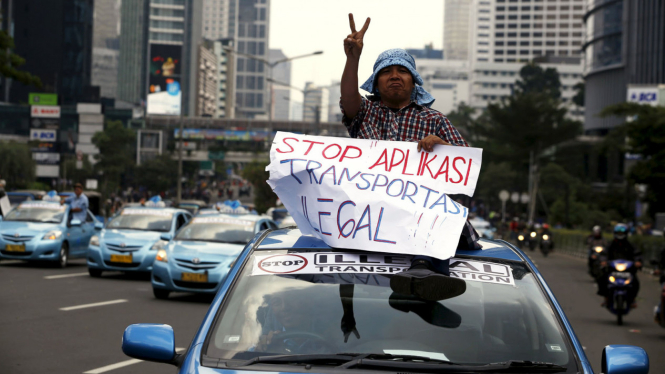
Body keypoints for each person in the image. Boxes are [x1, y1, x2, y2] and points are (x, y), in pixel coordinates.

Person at [340, 14, 480, 302]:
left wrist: (444, 147)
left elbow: (464, 168)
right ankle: (420, 281)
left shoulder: (436, 120)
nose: (394, 76)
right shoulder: (367, 113)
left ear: (413, 81)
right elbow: (349, 101)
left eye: (401, 71)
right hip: (371, 212)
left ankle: (424, 274)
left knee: (438, 215)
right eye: (386, 72)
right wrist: (353, 58)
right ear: (376, 83)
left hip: (425, 213)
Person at [597, 223, 642, 307]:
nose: (620, 235)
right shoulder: (610, 244)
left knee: (635, 282)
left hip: (627, 269)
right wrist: (603, 261)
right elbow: (604, 253)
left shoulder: (630, 245)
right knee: (603, 279)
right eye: (618, 233)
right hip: (613, 268)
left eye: (621, 233)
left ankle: (633, 300)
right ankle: (606, 298)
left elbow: (637, 254)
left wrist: (638, 261)